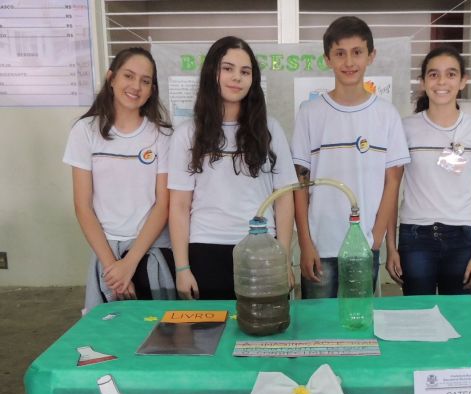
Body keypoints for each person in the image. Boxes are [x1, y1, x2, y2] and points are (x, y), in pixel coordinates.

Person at [168, 36, 297, 300]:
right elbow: (179, 205)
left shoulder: (270, 130)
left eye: (245, 71)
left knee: (265, 325)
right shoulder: (187, 134)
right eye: (228, 68)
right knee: (213, 327)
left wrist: (284, 260)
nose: (237, 77)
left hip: (261, 249)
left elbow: (284, 199)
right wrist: (182, 268)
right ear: (212, 73)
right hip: (205, 249)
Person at [291, 16, 410, 299]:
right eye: (340, 53)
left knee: (358, 322)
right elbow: (299, 184)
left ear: (371, 56)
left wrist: (376, 239)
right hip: (320, 247)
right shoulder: (310, 113)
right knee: (319, 323)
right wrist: (305, 243)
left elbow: (393, 182)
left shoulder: (386, 115)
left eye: (357, 52)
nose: (349, 62)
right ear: (328, 59)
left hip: (363, 247)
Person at [63, 47, 176, 312]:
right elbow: (83, 206)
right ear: (111, 78)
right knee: (111, 333)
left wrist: (130, 263)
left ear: (152, 89)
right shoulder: (85, 131)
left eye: (145, 81)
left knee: (159, 329)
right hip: (107, 255)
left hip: (150, 251)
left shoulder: (162, 136)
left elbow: (163, 205)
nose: (136, 86)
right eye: (128, 76)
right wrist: (113, 268)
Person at [386, 46, 471, 295]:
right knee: (418, 312)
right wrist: (391, 247)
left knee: (457, 313)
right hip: (415, 237)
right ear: (423, 82)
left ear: (463, 81)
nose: (442, 82)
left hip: (462, 238)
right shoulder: (404, 128)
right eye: (434, 75)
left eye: (451, 74)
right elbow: (391, 190)